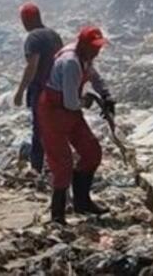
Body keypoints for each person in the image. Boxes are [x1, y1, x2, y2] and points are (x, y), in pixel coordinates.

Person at [38, 25, 116, 224]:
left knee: (92, 153)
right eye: (95, 47)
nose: (98, 51)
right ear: (83, 45)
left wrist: (106, 95)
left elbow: (94, 77)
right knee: (62, 164)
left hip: (70, 113)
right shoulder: (71, 62)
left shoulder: (85, 57)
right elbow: (70, 101)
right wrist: (87, 100)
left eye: (99, 47)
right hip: (53, 112)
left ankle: (83, 201)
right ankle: (57, 215)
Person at [13, 2, 63, 174]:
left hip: (41, 90)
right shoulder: (54, 35)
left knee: (39, 129)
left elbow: (32, 66)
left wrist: (20, 92)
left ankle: (36, 168)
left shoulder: (33, 38)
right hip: (56, 88)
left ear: (25, 20)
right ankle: (59, 165)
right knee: (55, 128)